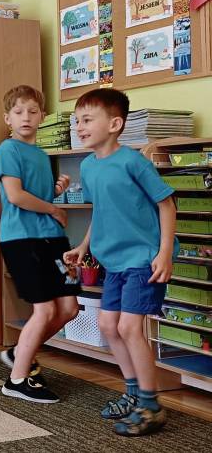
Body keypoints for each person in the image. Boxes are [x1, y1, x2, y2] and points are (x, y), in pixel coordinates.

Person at [64, 88, 177, 436]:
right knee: (108, 325)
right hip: (113, 262)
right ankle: (133, 393)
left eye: (87, 120)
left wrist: (164, 253)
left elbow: (167, 205)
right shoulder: (88, 166)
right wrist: (84, 246)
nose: (80, 127)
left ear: (114, 124)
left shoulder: (133, 161)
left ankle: (151, 404)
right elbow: (101, 211)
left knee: (129, 328)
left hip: (143, 259)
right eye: (77, 121)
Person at [0, 85, 78, 403]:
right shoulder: (7, 150)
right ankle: (16, 380)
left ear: (42, 116)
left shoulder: (42, 155)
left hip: (53, 239)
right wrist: (54, 208)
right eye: (18, 112)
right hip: (21, 239)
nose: (26, 117)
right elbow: (15, 196)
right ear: (8, 118)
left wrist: (56, 191)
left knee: (69, 308)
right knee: (44, 309)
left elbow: (37, 196)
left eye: (32, 111)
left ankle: (20, 352)